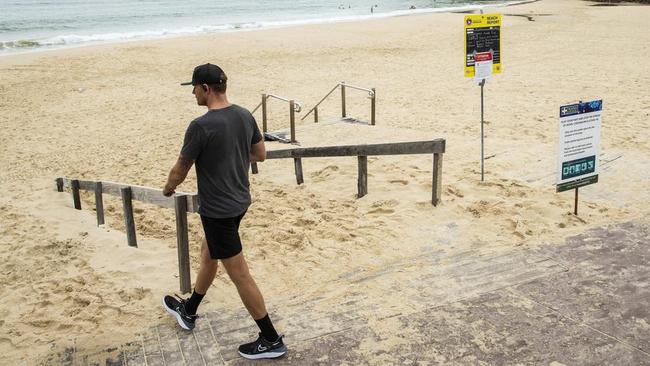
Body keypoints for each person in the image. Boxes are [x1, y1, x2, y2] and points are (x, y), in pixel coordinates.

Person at [161, 63, 287, 360]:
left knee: (239, 274)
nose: (192, 93)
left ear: (206, 88)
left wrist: (168, 188)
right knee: (209, 253)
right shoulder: (244, 115)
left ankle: (270, 339)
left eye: (194, 87)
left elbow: (180, 168)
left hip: (217, 209)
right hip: (240, 202)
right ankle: (189, 310)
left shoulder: (201, 126)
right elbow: (260, 155)